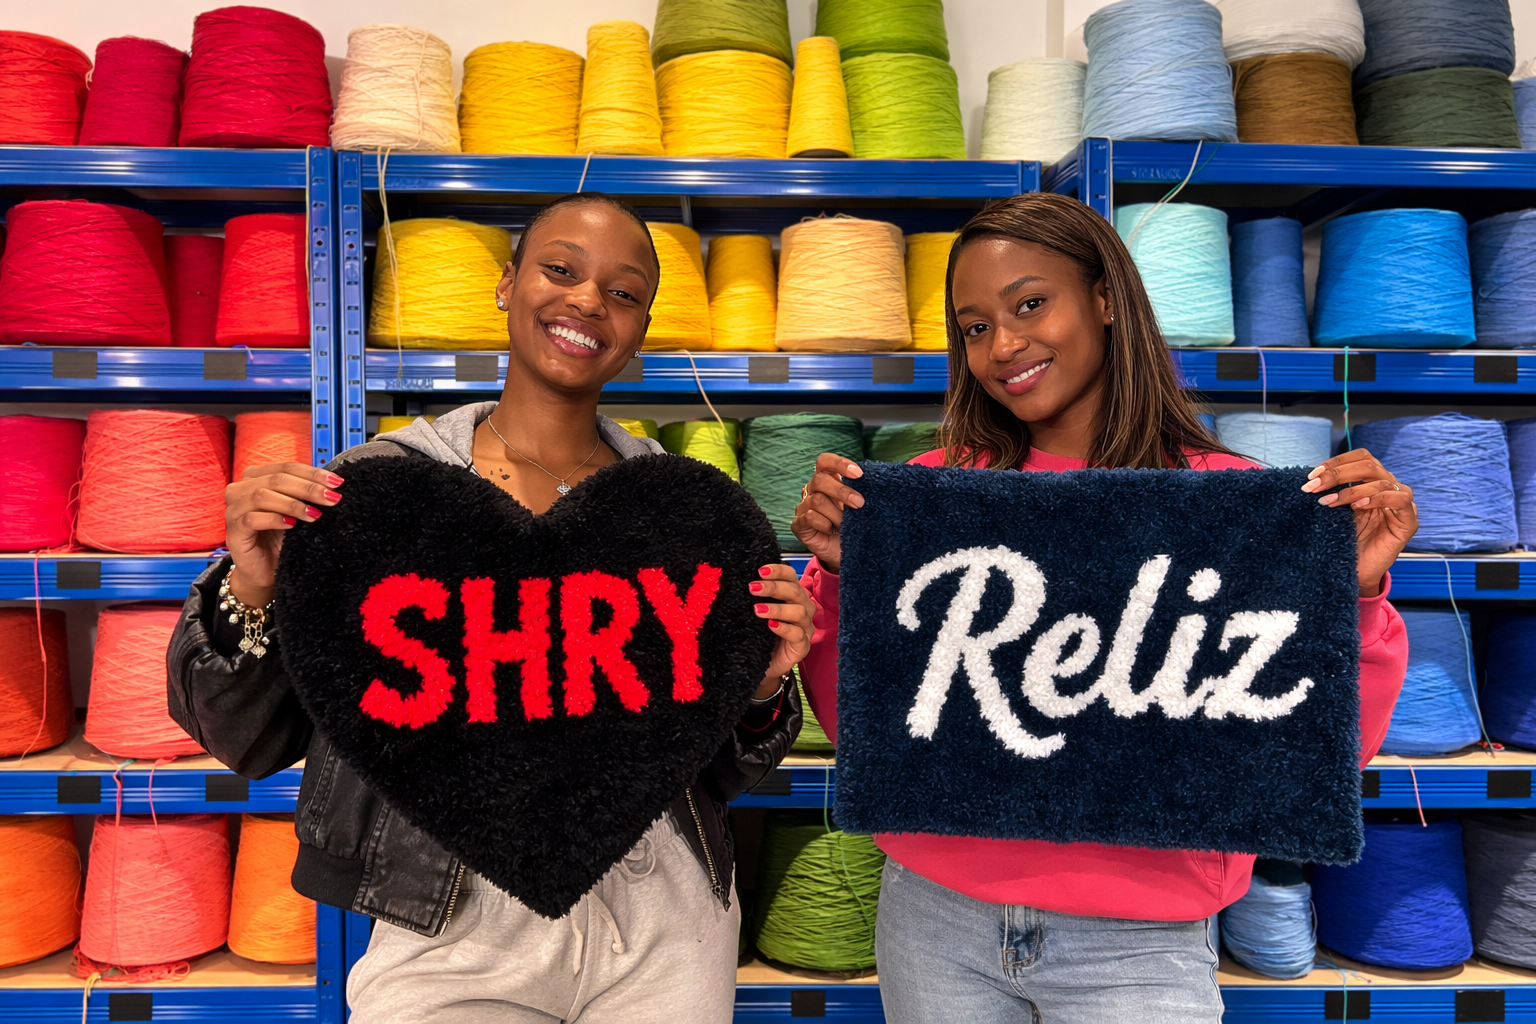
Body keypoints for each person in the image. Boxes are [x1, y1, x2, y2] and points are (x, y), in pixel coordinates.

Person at [168, 193, 814, 1024]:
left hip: (664, 917)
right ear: (507, 284)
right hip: (451, 918)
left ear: (642, 328)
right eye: (560, 269)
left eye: (623, 292)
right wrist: (251, 587)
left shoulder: (684, 516)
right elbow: (245, 740)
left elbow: (718, 769)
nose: (587, 300)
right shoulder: (377, 493)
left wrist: (758, 690)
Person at [791, 192, 1412, 1023]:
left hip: (1141, 943)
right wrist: (841, 577)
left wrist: (1356, 594)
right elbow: (861, 731)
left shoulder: (1229, 506)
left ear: (1108, 298)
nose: (1003, 345)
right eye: (974, 327)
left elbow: (1315, 754)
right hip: (934, 916)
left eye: (1030, 303)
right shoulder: (935, 499)